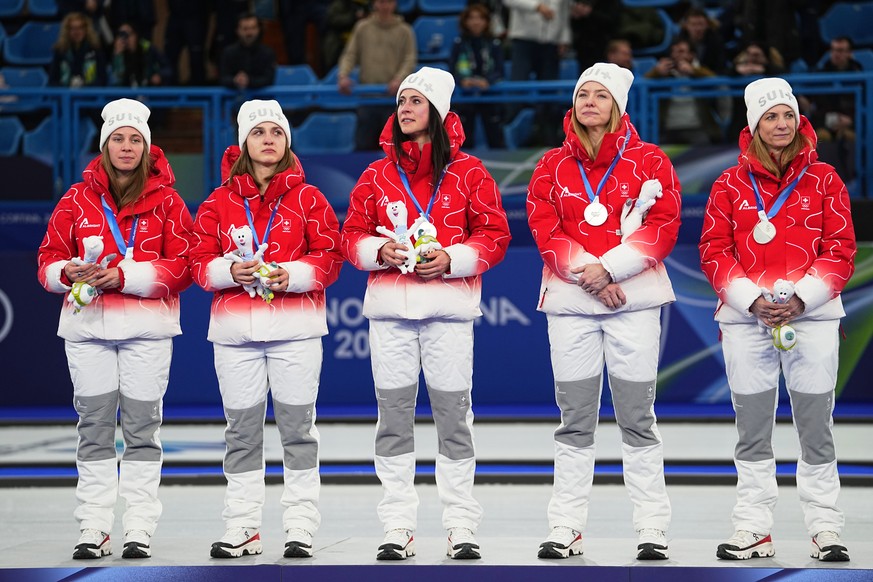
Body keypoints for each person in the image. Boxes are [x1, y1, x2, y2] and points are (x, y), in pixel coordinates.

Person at [341, 66, 511, 561]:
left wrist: (453, 259)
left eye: (416, 101)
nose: (406, 109)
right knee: (392, 419)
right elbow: (350, 235)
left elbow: (495, 235)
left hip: (449, 312)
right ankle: (397, 524)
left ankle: (461, 524)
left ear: (438, 111)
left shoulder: (470, 172)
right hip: (391, 312)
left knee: (453, 419)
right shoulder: (376, 174)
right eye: (400, 103)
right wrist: (379, 251)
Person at [526, 62, 680, 561]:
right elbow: (544, 227)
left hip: (632, 304)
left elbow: (663, 226)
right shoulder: (551, 164)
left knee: (638, 416)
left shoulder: (650, 160)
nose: (590, 101)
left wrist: (610, 269)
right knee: (574, 419)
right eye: (583, 94)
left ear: (618, 106)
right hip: (572, 305)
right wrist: (590, 275)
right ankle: (565, 527)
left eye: (601, 95)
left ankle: (652, 527)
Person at [699, 77, 855, 563]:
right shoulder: (729, 184)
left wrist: (802, 299)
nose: (782, 124)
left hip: (812, 320)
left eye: (788, 115)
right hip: (747, 323)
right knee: (752, 428)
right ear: (754, 125)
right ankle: (753, 528)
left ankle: (826, 526)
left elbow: (841, 249)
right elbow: (714, 249)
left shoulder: (826, 178)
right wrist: (751, 300)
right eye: (771, 117)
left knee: (815, 425)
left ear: (799, 121)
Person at [36, 98, 194, 560]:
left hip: (148, 331)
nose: (126, 147)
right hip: (87, 329)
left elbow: (184, 266)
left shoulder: (168, 200)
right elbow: (46, 261)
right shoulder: (75, 198)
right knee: (94, 428)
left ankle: (139, 528)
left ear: (147, 148)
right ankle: (94, 526)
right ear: (105, 146)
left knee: (144, 429)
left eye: (135, 140)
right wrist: (69, 272)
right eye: (118, 139)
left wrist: (126, 276)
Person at [189, 99, 343, 559]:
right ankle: (243, 527)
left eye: (277, 132)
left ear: (287, 143)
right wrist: (226, 272)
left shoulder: (309, 197)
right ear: (243, 143)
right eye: (259, 132)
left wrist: (292, 275)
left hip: (296, 331)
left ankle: (299, 525)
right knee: (241, 432)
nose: (269, 139)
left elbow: (331, 257)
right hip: (235, 335)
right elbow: (197, 263)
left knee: (298, 430)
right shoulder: (218, 202)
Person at [336, 0, 417, 150]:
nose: (385, 6)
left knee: (394, 150)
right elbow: (350, 55)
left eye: (389, 2)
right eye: (381, 2)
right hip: (367, 98)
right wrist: (343, 75)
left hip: (393, 100)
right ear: (375, 4)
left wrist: (399, 79)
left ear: (394, 4)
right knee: (363, 148)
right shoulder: (362, 28)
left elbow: (409, 59)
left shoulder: (405, 30)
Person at [448, 2, 505, 149]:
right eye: (472, 18)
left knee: (496, 139)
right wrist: (462, 81)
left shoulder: (494, 43)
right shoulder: (458, 43)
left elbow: (500, 70)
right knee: (464, 141)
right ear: (465, 21)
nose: (476, 22)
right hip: (466, 97)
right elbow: (452, 70)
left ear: (486, 21)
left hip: (490, 96)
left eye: (480, 18)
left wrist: (488, 81)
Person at [644, 38, 722, 145]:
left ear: (691, 55)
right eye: (674, 51)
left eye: (681, 51)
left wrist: (693, 71)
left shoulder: (697, 73)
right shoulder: (664, 75)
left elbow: (717, 81)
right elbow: (642, 85)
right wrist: (656, 72)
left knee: (705, 154)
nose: (676, 55)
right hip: (668, 129)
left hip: (696, 127)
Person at [219, 13, 277, 91]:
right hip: (233, 99)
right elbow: (223, 78)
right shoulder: (228, 52)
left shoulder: (268, 53)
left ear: (259, 29)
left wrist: (249, 81)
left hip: (262, 99)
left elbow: (269, 79)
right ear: (237, 30)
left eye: (253, 28)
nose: (249, 33)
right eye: (245, 29)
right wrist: (235, 80)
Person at [49, 12, 108, 87]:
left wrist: (84, 87)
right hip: (65, 95)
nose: (77, 32)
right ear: (67, 30)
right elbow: (52, 81)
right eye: (73, 28)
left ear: (86, 29)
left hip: (90, 96)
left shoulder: (96, 50)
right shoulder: (60, 51)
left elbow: (102, 79)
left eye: (80, 27)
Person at [110, 22, 172, 87]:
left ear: (136, 35)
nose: (125, 38)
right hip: (126, 94)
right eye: (121, 34)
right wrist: (117, 56)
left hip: (147, 91)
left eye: (128, 34)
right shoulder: (115, 53)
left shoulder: (147, 49)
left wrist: (160, 75)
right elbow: (114, 82)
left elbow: (167, 70)